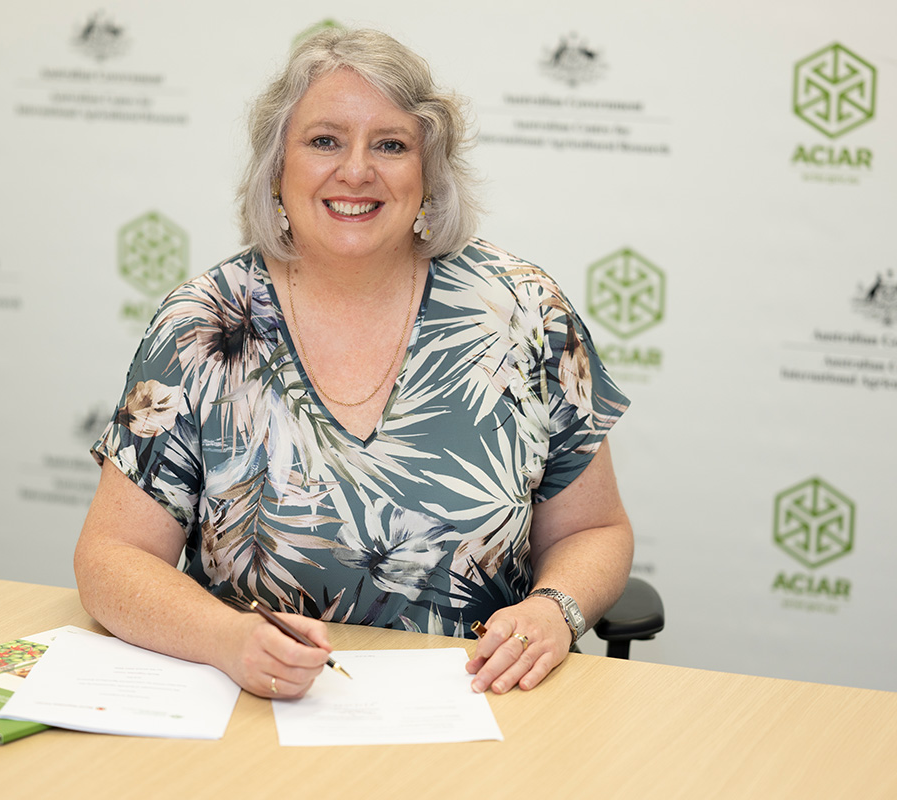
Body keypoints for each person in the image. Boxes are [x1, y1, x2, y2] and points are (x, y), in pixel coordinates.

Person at [75, 28, 633, 700]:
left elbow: (595, 530)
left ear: (428, 173)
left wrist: (554, 609)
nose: (357, 171)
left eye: (391, 145)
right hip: (255, 714)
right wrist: (223, 639)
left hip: (484, 711)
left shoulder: (524, 311)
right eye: (325, 141)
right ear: (277, 167)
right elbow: (110, 558)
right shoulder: (202, 325)